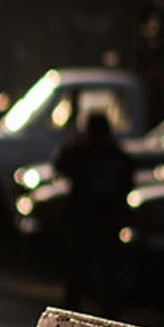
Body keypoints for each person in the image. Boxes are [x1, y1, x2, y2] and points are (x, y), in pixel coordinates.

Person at [52, 112, 135, 315]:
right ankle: (96, 311)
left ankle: (100, 311)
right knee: (90, 273)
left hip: (93, 221)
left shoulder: (88, 153)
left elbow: (60, 165)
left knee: (96, 274)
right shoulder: (112, 154)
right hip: (96, 222)